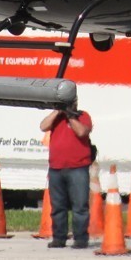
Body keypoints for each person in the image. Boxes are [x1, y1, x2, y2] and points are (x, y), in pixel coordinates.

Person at [40, 98, 94, 248]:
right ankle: (59, 238)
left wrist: (70, 116)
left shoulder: (83, 116)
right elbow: (43, 126)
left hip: (78, 168)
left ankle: (81, 239)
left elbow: (82, 131)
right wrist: (57, 111)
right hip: (56, 168)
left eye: (70, 103)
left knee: (80, 206)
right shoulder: (56, 118)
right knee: (57, 207)